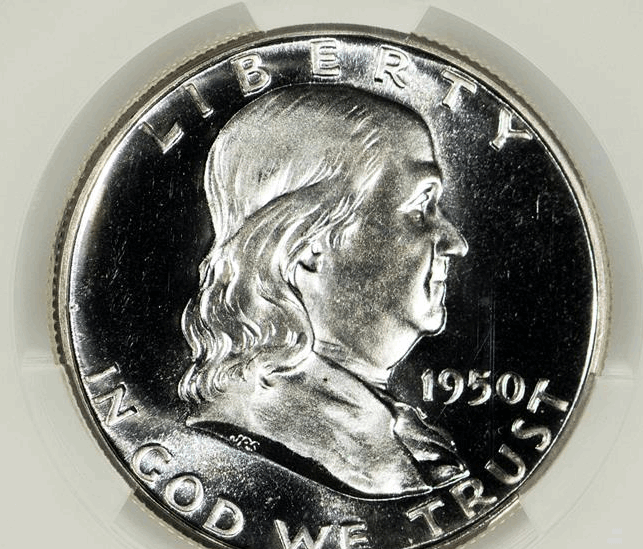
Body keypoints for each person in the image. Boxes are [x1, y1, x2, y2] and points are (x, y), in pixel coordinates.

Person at [179, 85, 470, 497]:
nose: (455, 242)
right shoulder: (266, 435)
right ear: (308, 247)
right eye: (421, 207)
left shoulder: (403, 434)